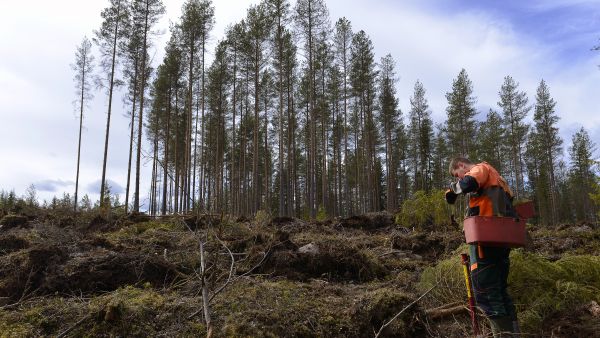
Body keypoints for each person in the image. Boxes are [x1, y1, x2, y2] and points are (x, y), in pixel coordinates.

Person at [445, 157, 520, 337]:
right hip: (500, 240)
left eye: (458, 175)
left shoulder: (480, 169)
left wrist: (452, 191)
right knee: (499, 292)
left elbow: (469, 181)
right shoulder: (497, 179)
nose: (459, 179)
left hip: (486, 243)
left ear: (461, 166)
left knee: (486, 293)